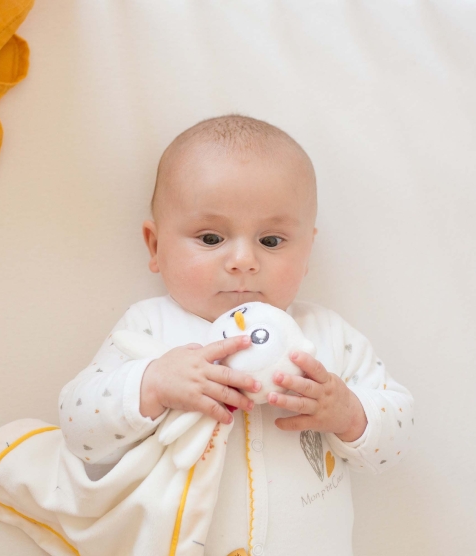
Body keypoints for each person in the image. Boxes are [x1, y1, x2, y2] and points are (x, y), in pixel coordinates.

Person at [59, 114, 414, 555]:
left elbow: (397, 437)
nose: (243, 260)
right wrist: (151, 384)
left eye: (271, 241)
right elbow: (78, 431)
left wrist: (348, 412)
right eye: (211, 238)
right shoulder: (149, 328)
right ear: (155, 246)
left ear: (307, 252)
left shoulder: (324, 336)